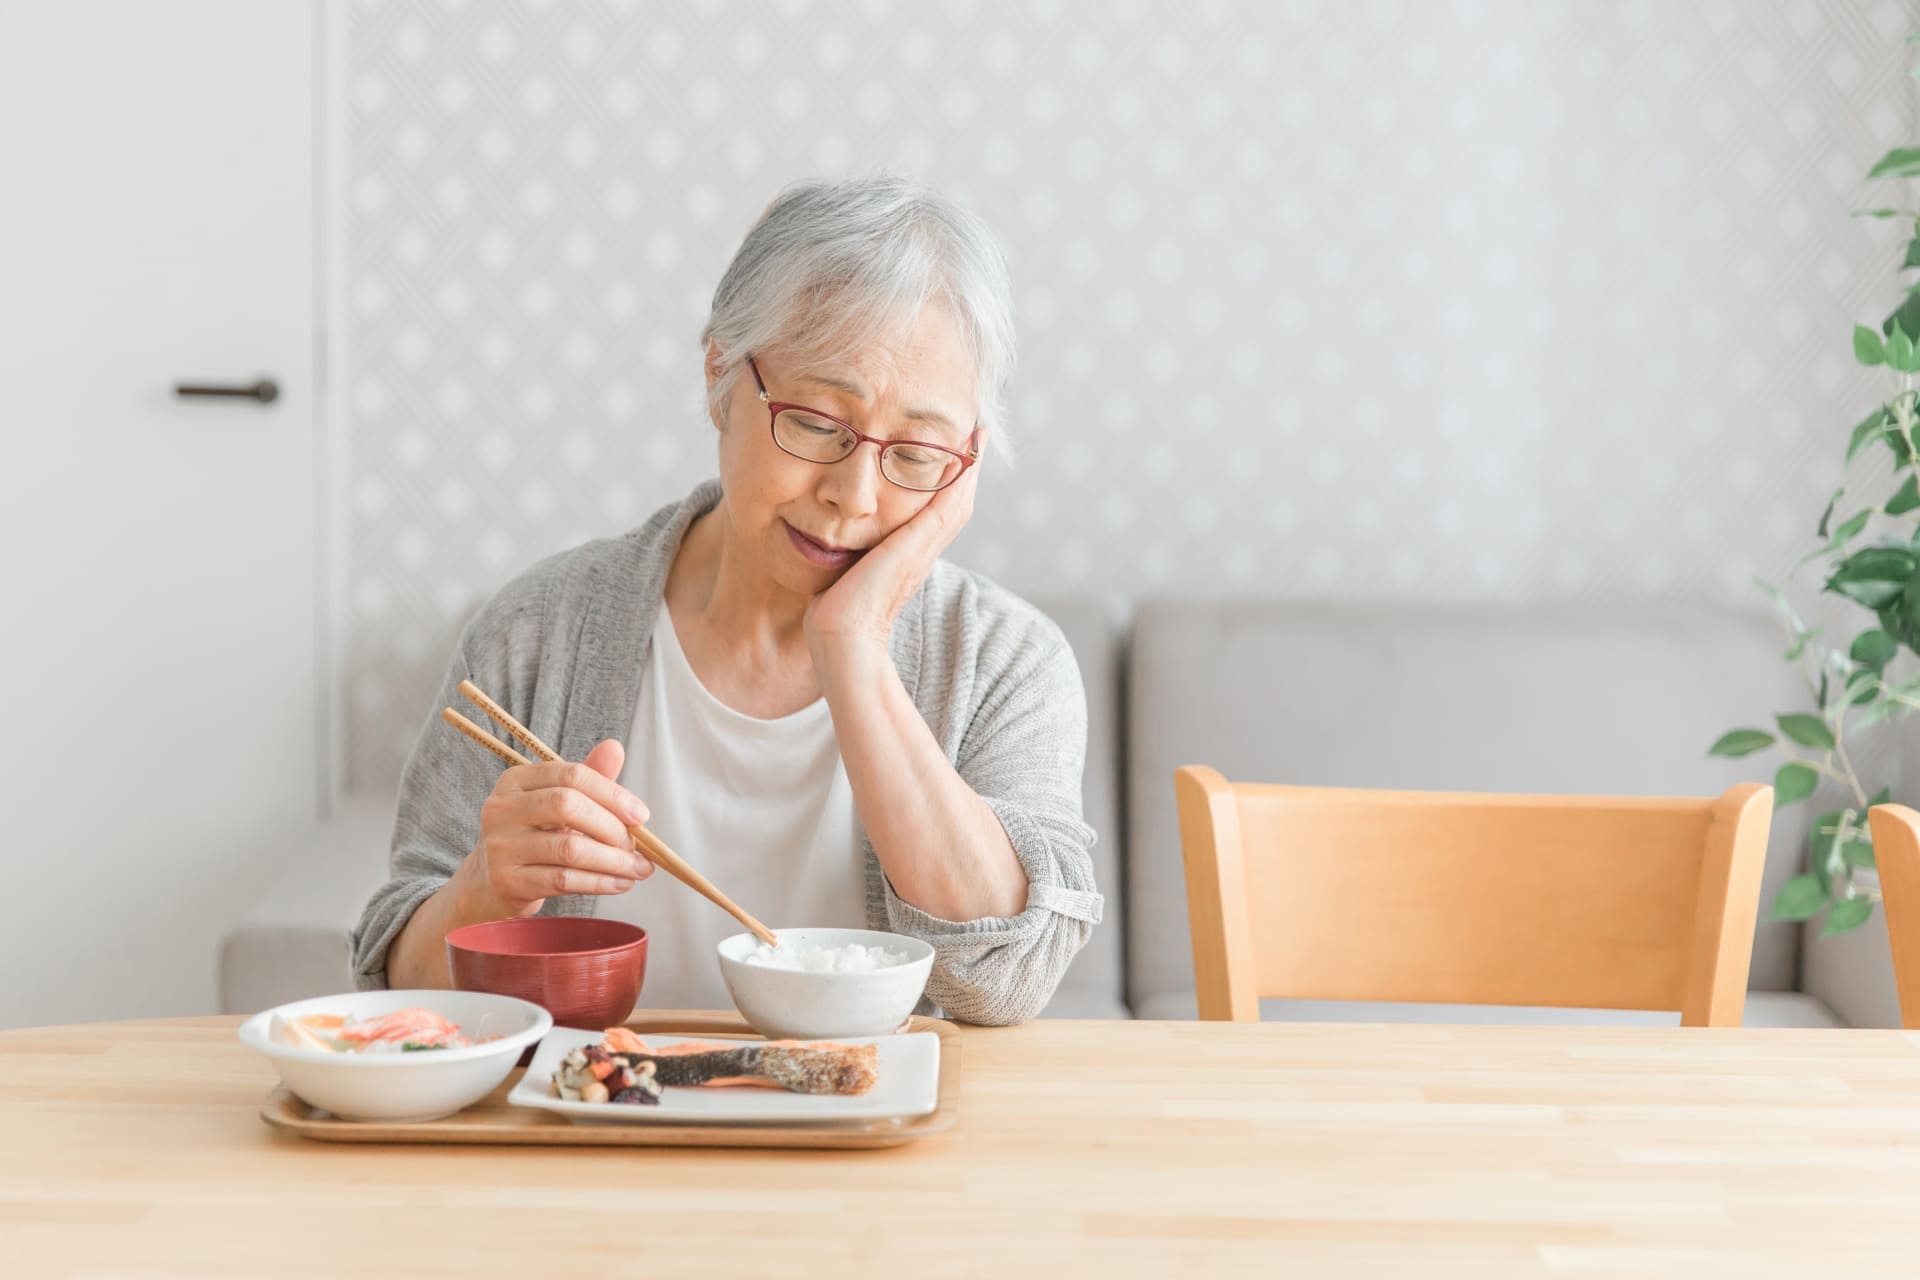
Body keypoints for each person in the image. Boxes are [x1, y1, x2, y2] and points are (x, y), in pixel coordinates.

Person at [349, 174, 1103, 1026]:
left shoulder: (1006, 661)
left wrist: (852, 643)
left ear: (966, 460)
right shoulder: (539, 632)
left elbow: (1002, 983)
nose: (853, 497)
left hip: (879, 1147)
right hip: (597, 1138)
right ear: (719, 374)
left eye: (918, 453)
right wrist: (486, 887)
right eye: (818, 422)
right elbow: (393, 989)